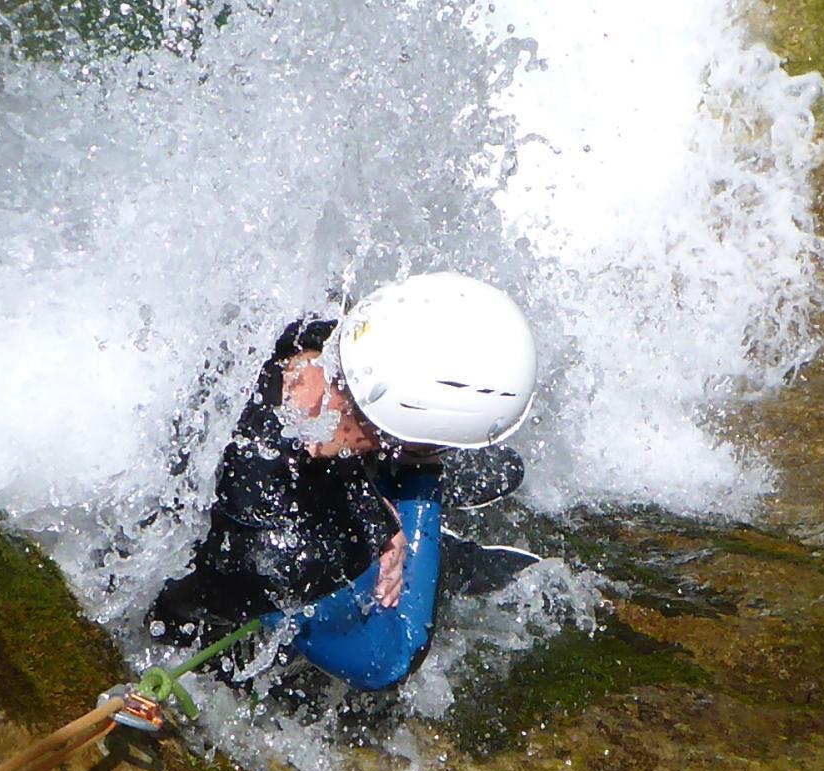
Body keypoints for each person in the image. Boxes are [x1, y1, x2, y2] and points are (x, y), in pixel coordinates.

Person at [148, 272, 538, 690]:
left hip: (251, 488)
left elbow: (321, 423)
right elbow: (384, 661)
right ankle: (433, 525)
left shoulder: (292, 315)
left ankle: (394, 471)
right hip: (235, 575)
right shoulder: (292, 549)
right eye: (437, 446)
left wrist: (371, 502)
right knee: (396, 657)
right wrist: (388, 526)